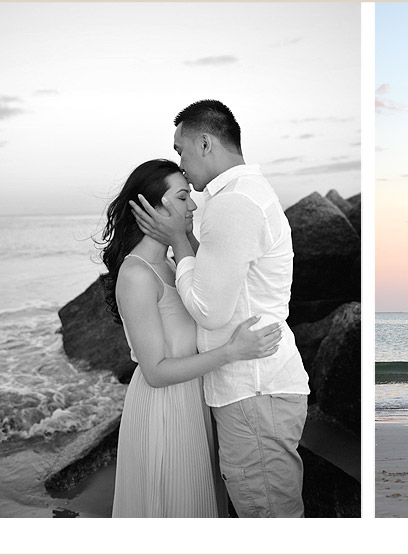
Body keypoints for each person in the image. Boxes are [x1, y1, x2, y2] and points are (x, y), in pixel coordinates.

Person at [130, 100, 310, 518]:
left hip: (253, 388)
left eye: (181, 150)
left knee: (266, 515)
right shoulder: (242, 196)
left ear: (206, 142)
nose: (181, 161)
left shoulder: (234, 203)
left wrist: (178, 242)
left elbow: (209, 311)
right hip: (255, 387)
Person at [99, 159, 282, 517]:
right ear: (153, 207)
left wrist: (181, 238)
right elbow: (155, 371)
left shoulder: (172, 263)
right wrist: (231, 352)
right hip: (163, 407)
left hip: (192, 397)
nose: (194, 205)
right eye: (183, 197)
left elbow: (215, 287)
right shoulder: (137, 275)